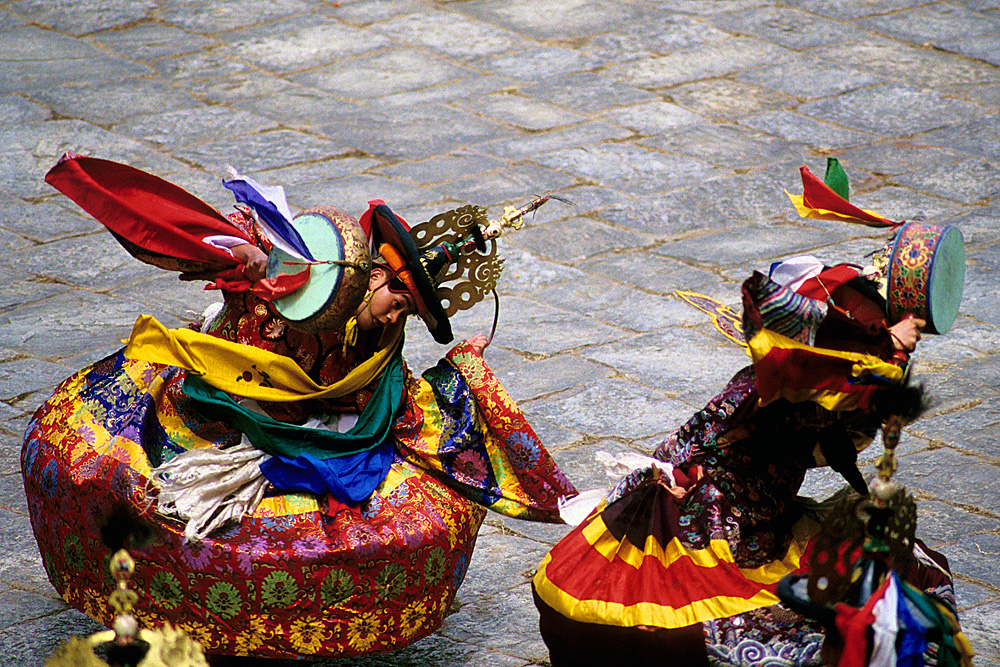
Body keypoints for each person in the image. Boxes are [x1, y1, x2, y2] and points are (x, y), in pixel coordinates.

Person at [22, 155, 576, 660]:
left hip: (308, 435)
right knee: (91, 466)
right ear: (373, 276)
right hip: (225, 404)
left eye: (406, 313)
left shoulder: (380, 348)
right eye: (396, 302)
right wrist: (249, 268)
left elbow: (383, 401)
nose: (393, 318)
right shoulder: (287, 285)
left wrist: (462, 374)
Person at [532, 252, 971, 665]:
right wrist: (890, 347)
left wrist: (892, 349)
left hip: (762, 516)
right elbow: (689, 446)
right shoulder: (761, 393)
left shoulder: (806, 395)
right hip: (719, 524)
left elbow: (848, 413)